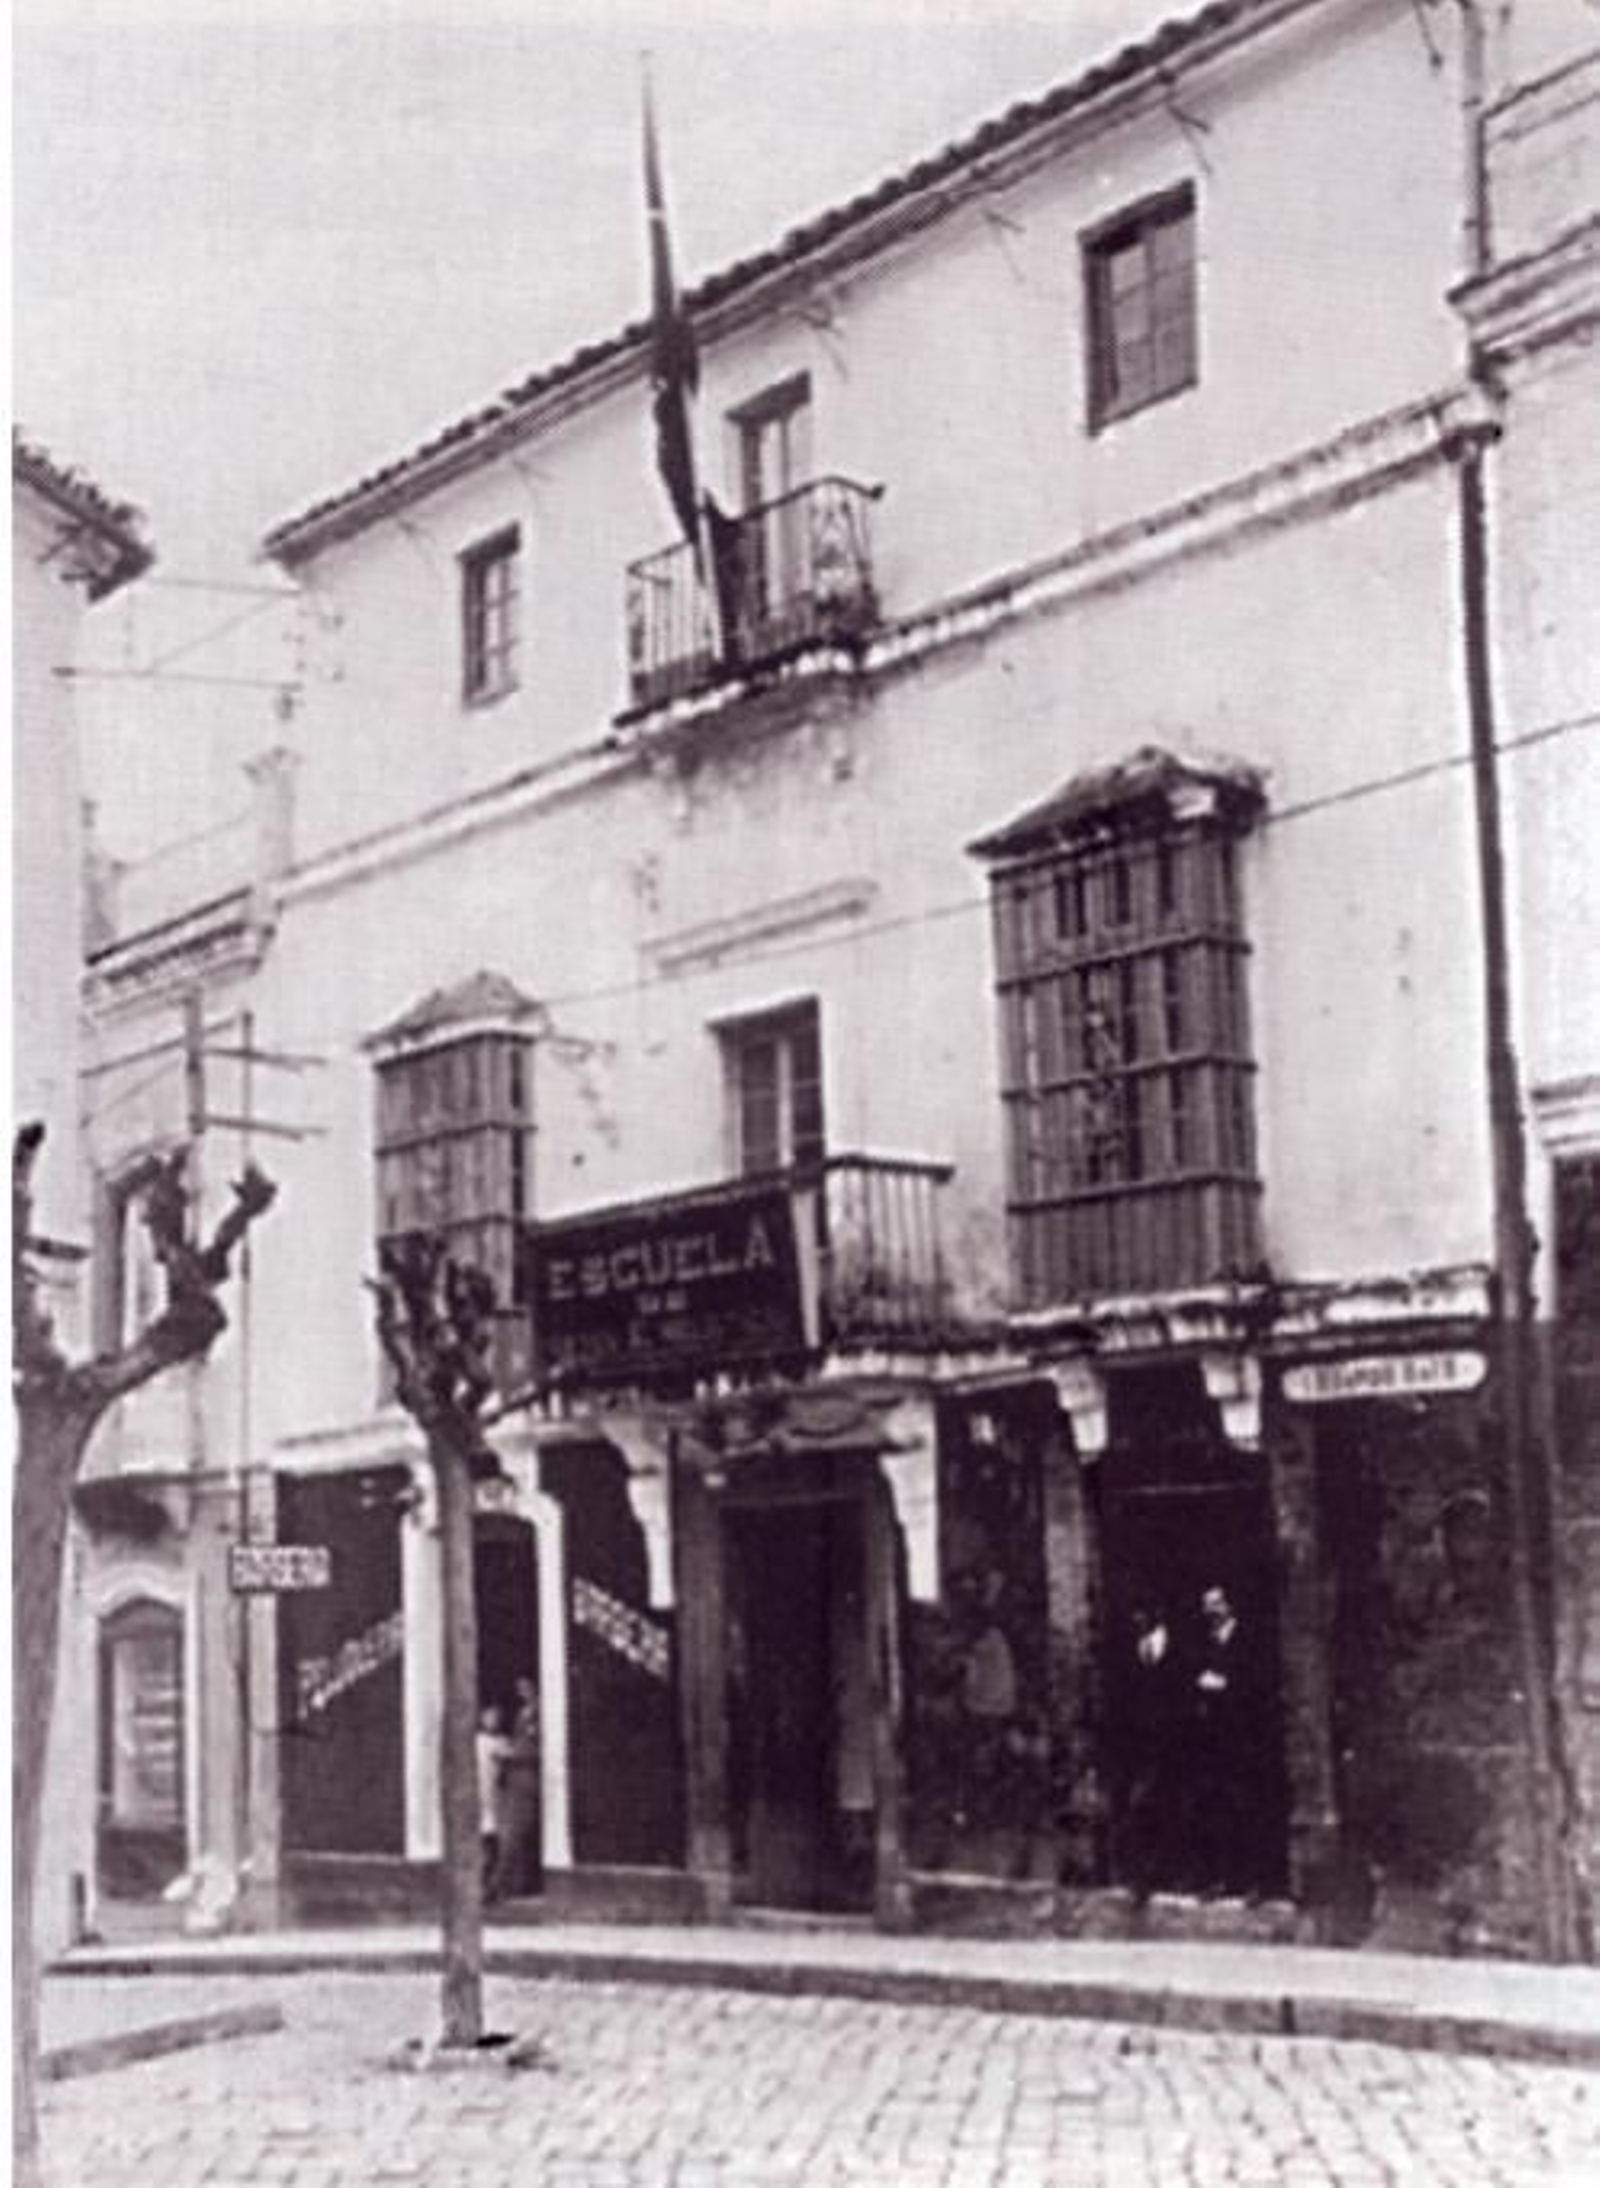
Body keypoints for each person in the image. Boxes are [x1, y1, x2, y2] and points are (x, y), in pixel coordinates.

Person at [494, 1677, 541, 1900]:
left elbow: (534, 1749)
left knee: (514, 1832)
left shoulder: (538, 1714)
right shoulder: (524, 1714)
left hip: (525, 1778)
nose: (521, 1691)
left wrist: (511, 1754)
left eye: (526, 1687)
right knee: (512, 1832)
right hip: (515, 1778)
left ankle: (501, 1886)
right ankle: (513, 1885)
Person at [475, 1703, 512, 1899]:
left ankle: (491, 1887)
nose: (493, 1720)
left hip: (496, 1798)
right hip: (479, 1798)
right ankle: (482, 1887)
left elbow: (509, 1758)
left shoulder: (502, 1742)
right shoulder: (477, 1742)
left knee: (493, 1843)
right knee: (482, 1843)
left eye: (497, 1717)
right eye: (489, 1716)